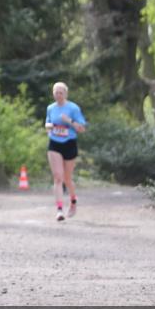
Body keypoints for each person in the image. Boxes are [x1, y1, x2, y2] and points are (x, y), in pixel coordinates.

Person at [45, 82, 86, 221]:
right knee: (58, 177)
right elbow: (47, 123)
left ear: (66, 94)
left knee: (67, 179)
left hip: (69, 144)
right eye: (56, 92)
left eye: (61, 92)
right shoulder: (50, 108)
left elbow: (81, 129)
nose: (58, 95)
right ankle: (59, 209)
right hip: (54, 144)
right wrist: (49, 126)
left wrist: (69, 121)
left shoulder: (73, 108)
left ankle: (73, 201)